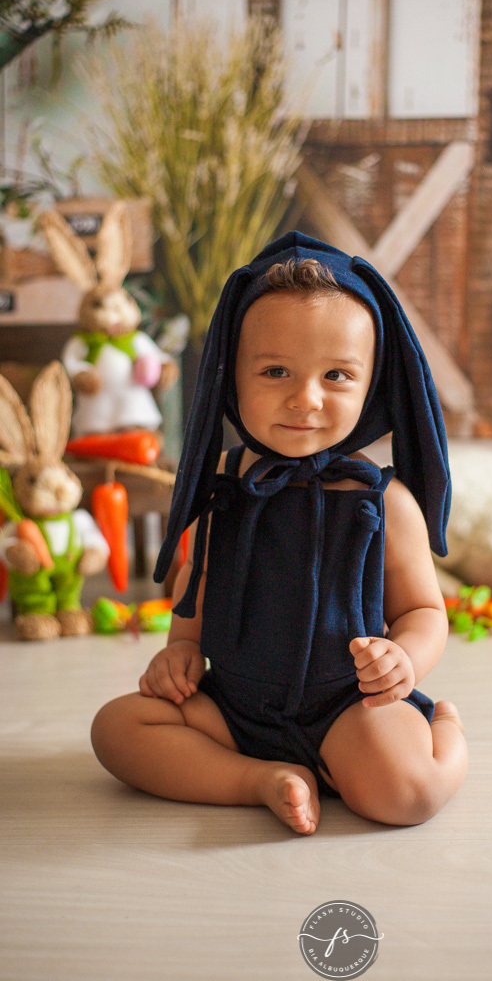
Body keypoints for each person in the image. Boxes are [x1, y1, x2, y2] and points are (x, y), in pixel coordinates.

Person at [91, 233, 468, 835]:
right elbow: (200, 578)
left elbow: (424, 609)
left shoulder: (386, 503)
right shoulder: (227, 492)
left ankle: (444, 733)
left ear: (373, 383)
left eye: (337, 374)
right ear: (230, 376)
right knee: (116, 729)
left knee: (408, 795)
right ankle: (260, 780)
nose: (305, 397)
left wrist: (405, 660)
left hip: (351, 708)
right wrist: (182, 646)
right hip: (237, 711)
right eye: (274, 370)